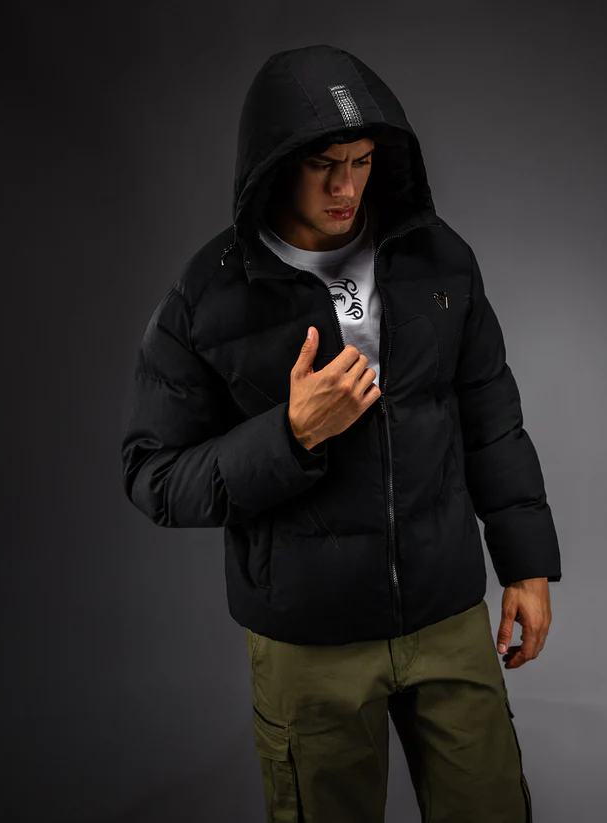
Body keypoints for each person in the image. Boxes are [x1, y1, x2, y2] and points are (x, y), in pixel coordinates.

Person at [121, 43, 562, 823]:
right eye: (322, 164)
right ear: (270, 166)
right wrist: (289, 435)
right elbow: (152, 477)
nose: (345, 187)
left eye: (360, 162)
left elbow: (490, 414)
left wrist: (525, 566)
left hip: (446, 616)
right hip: (310, 643)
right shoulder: (208, 296)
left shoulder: (437, 257)